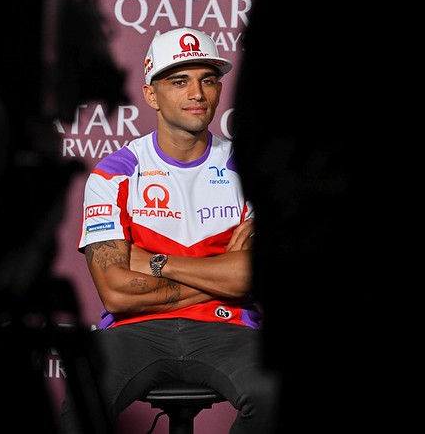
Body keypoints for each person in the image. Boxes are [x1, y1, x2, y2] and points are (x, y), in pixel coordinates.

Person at [61, 27, 278, 433]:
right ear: (151, 95)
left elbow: (254, 277)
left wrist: (155, 262)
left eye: (207, 80)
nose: (197, 94)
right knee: (81, 406)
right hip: (133, 331)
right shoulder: (115, 172)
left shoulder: (249, 167)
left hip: (229, 326)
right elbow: (116, 292)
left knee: (275, 395)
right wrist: (224, 275)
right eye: (179, 82)